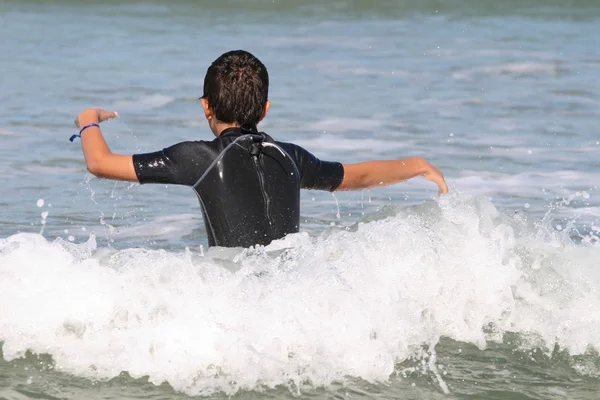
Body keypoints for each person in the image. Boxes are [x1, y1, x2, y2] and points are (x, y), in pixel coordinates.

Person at [73, 50, 448, 248]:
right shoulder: (291, 157)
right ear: (265, 110)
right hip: (288, 294)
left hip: (239, 302)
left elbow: (99, 162)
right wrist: (415, 164)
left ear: (206, 106)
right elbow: (359, 176)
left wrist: (89, 119)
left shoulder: (199, 158)